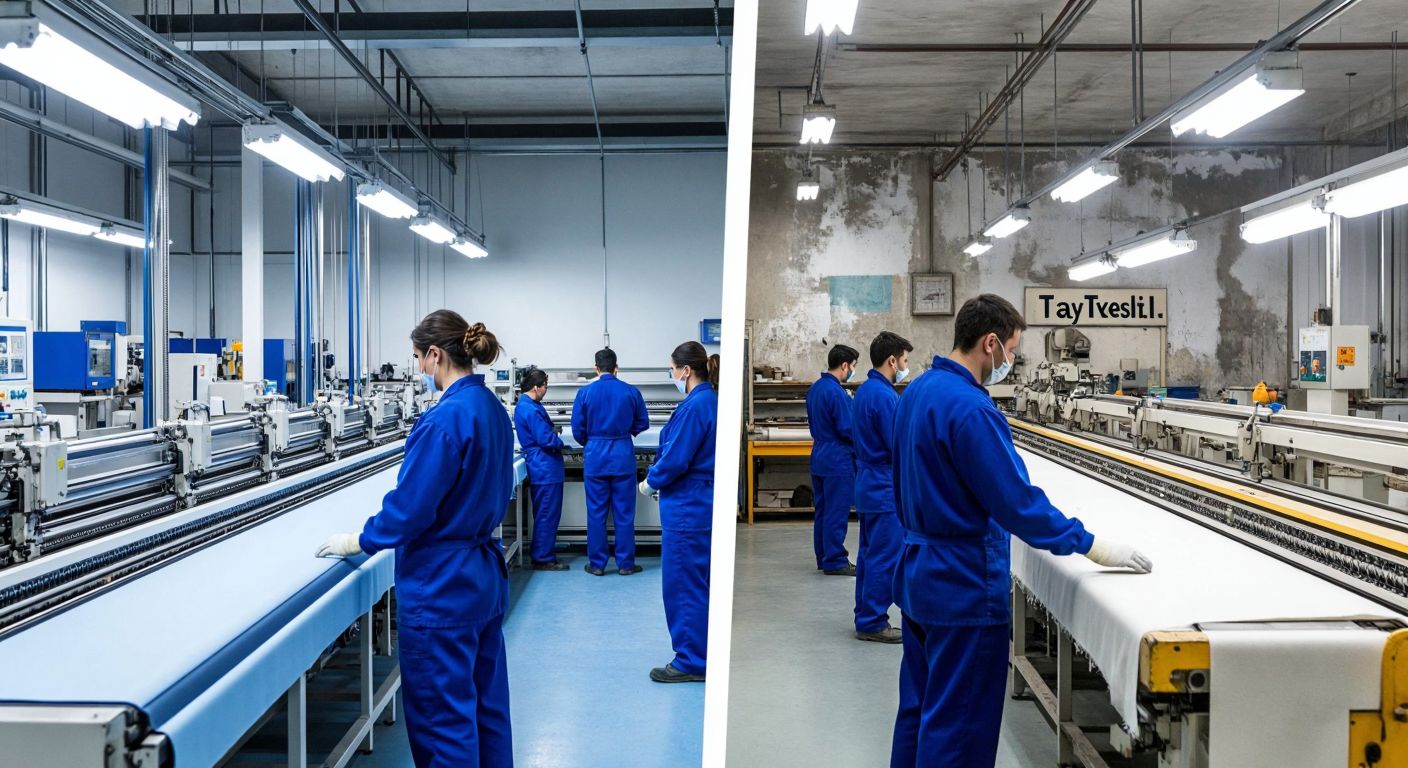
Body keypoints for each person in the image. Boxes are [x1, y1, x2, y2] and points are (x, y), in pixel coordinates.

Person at [888, 294, 1152, 768]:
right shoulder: (971, 409)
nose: (1010, 361)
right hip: (963, 589)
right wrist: (1092, 545)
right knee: (959, 730)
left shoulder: (918, 392)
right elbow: (1018, 505)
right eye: (1011, 350)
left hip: (917, 580)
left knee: (920, 710)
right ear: (990, 343)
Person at [316, 310, 513, 768]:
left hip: (442, 587)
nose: (420, 369)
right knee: (487, 710)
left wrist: (359, 540)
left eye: (419, 359)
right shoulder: (491, 408)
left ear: (435, 354)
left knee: (444, 723)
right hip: (482, 577)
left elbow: (410, 510)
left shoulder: (445, 420)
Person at [639, 341, 718, 683]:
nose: (671, 374)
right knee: (699, 583)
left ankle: (691, 660)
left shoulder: (695, 406)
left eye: (672, 368)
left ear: (686, 370)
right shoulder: (708, 401)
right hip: (699, 502)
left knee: (683, 586)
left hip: (687, 506)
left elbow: (676, 457)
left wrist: (650, 482)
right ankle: (702, 651)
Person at [851, 331, 912, 644]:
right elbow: (896, 444)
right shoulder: (884, 396)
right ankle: (873, 621)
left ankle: (864, 613)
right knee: (885, 556)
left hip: (868, 483)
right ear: (892, 360)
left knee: (869, 554)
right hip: (883, 487)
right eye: (904, 360)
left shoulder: (865, 390)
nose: (905, 366)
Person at [572, 347, 650, 576]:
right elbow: (643, 422)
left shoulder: (584, 393)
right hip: (622, 457)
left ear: (596, 369)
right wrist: (625, 433)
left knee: (596, 514)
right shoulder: (631, 391)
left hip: (595, 458)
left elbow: (577, 429)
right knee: (624, 514)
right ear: (617, 368)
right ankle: (626, 564)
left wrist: (592, 441)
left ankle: (597, 564)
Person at [807, 343, 860, 575]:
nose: (853, 371)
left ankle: (823, 556)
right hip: (837, 459)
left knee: (822, 510)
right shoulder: (836, 393)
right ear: (845, 365)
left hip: (819, 455)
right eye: (853, 366)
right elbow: (847, 428)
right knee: (836, 511)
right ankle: (835, 560)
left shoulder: (815, 389)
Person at [514, 367, 568, 571]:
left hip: (542, 464)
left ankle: (543, 553)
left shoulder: (528, 405)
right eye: (545, 386)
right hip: (545, 465)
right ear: (536, 387)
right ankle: (543, 558)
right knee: (547, 513)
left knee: (545, 512)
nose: (546, 390)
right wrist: (560, 443)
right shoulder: (530, 409)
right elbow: (545, 439)